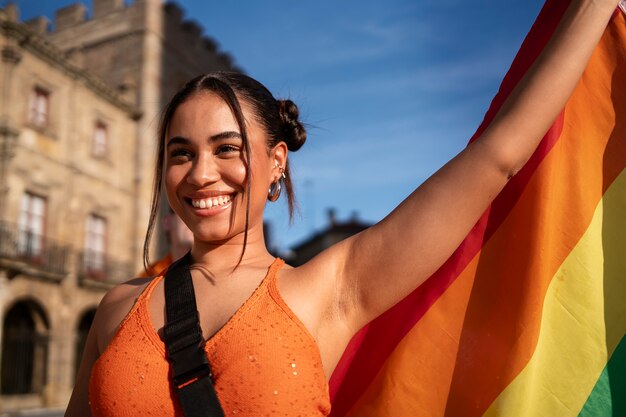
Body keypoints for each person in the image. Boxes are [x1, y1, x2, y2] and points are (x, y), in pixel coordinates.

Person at [65, 1, 621, 415]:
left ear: (276, 162)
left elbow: (496, 157)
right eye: (180, 154)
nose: (202, 173)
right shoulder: (115, 310)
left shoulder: (330, 290)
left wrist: (593, 6)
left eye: (227, 148)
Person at [140, 208, 194, 277]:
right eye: (186, 213)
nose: (194, 220)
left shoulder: (211, 276)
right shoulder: (148, 278)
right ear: (167, 222)